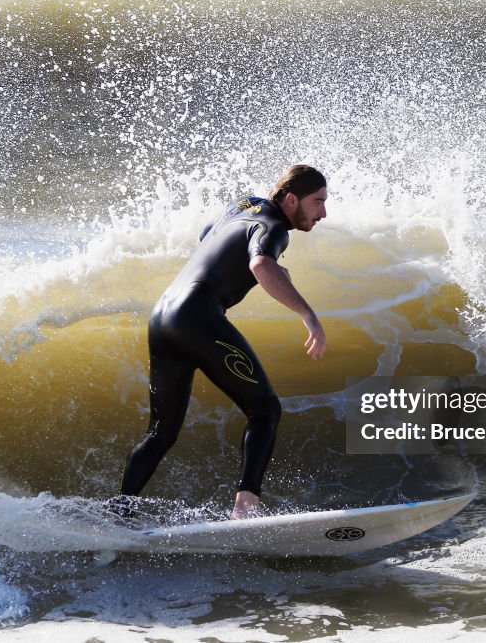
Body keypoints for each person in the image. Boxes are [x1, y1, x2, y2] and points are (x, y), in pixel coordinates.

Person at [115, 164, 329, 520]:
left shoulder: (243, 205)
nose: (322, 212)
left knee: (161, 434)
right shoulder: (274, 227)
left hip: (164, 317)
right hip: (198, 318)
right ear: (291, 200)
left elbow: (206, 239)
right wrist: (309, 316)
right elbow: (260, 264)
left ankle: (118, 512)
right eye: (317, 202)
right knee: (265, 410)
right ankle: (245, 511)